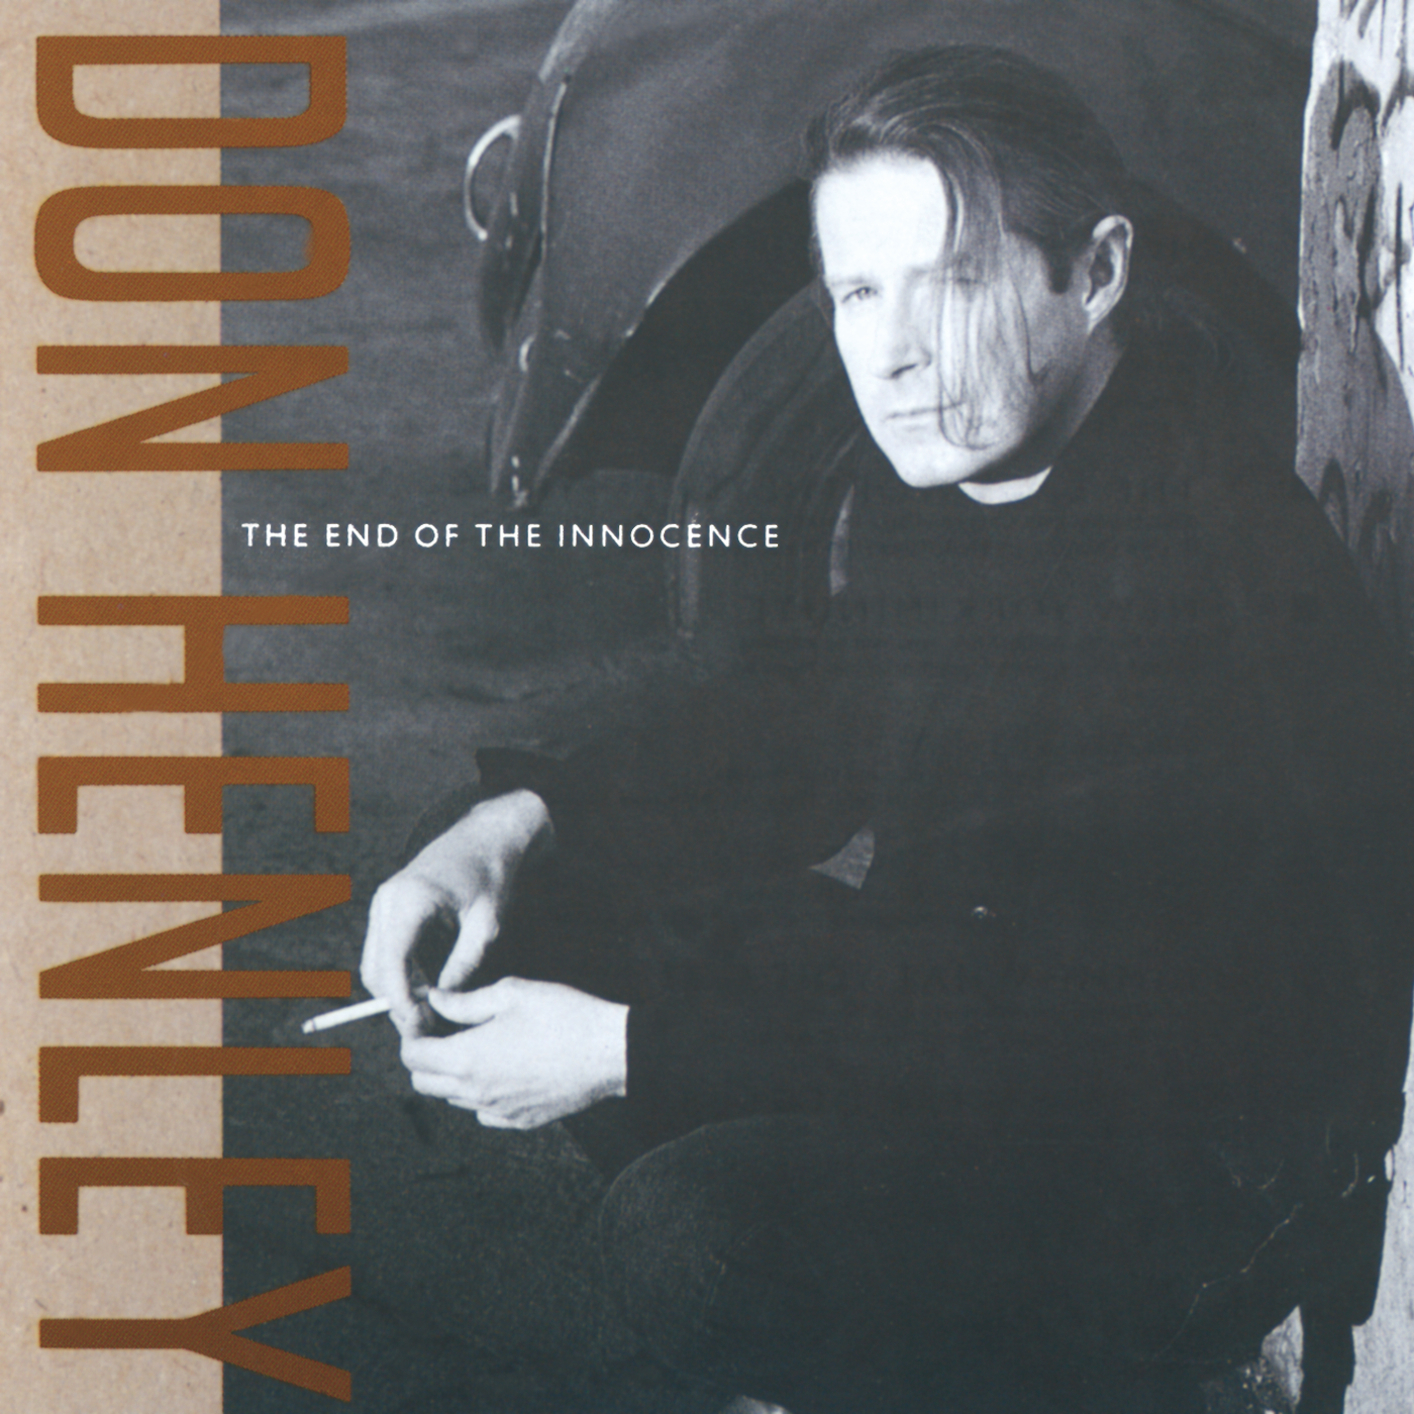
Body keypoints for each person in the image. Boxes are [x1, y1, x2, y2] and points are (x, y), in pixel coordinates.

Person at [360, 46, 1414, 1414]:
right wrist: (512, 823)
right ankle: (862, 1337)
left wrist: (626, 1048)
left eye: (954, 280)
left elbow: (1036, 1015)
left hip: (1192, 1168)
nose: (893, 352)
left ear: (1094, 272)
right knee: (504, 899)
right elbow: (808, 723)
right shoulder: (988, 444)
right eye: (858, 291)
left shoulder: (1196, 560)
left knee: (694, 1241)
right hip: (983, 1022)